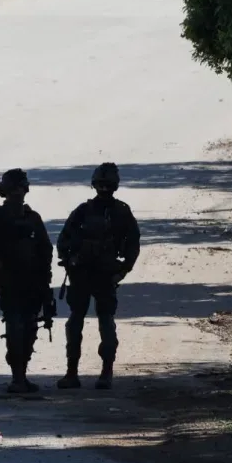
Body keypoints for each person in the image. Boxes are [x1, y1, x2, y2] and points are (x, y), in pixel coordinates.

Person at [56, 161, 140, 390]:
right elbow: (64, 241)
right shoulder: (108, 211)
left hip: (99, 275)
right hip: (89, 274)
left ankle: (91, 372)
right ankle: (86, 373)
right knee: (90, 323)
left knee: (92, 323)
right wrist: (71, 260)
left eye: (105, 185)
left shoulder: (105, 211)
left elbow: (132, 244)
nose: (103, 189)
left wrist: (122, 270)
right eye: (102, 185)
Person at [0, 168, 54, 394]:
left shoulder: (32, 218)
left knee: (30, 328)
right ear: (6, 192)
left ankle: (22, 374)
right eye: (14, 189)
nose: (18, 193)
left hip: (33, 282)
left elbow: (45, 249)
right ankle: (17, 377)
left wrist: (45, 278)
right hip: (10, 281)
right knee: (15, 328)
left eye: (21, 189)